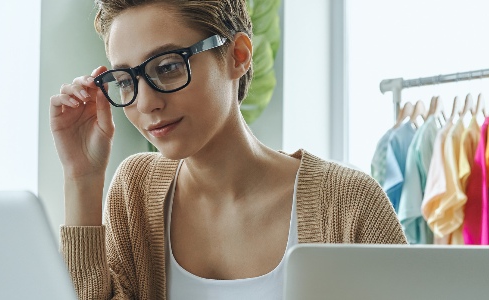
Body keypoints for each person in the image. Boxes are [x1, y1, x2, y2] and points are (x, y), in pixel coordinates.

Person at [49, 0, 407, 299]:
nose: (146, 104)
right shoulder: (135, 191)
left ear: (238, 55)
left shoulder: (349, 204)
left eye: (169, 67)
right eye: (126, 80)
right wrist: (82, 177)